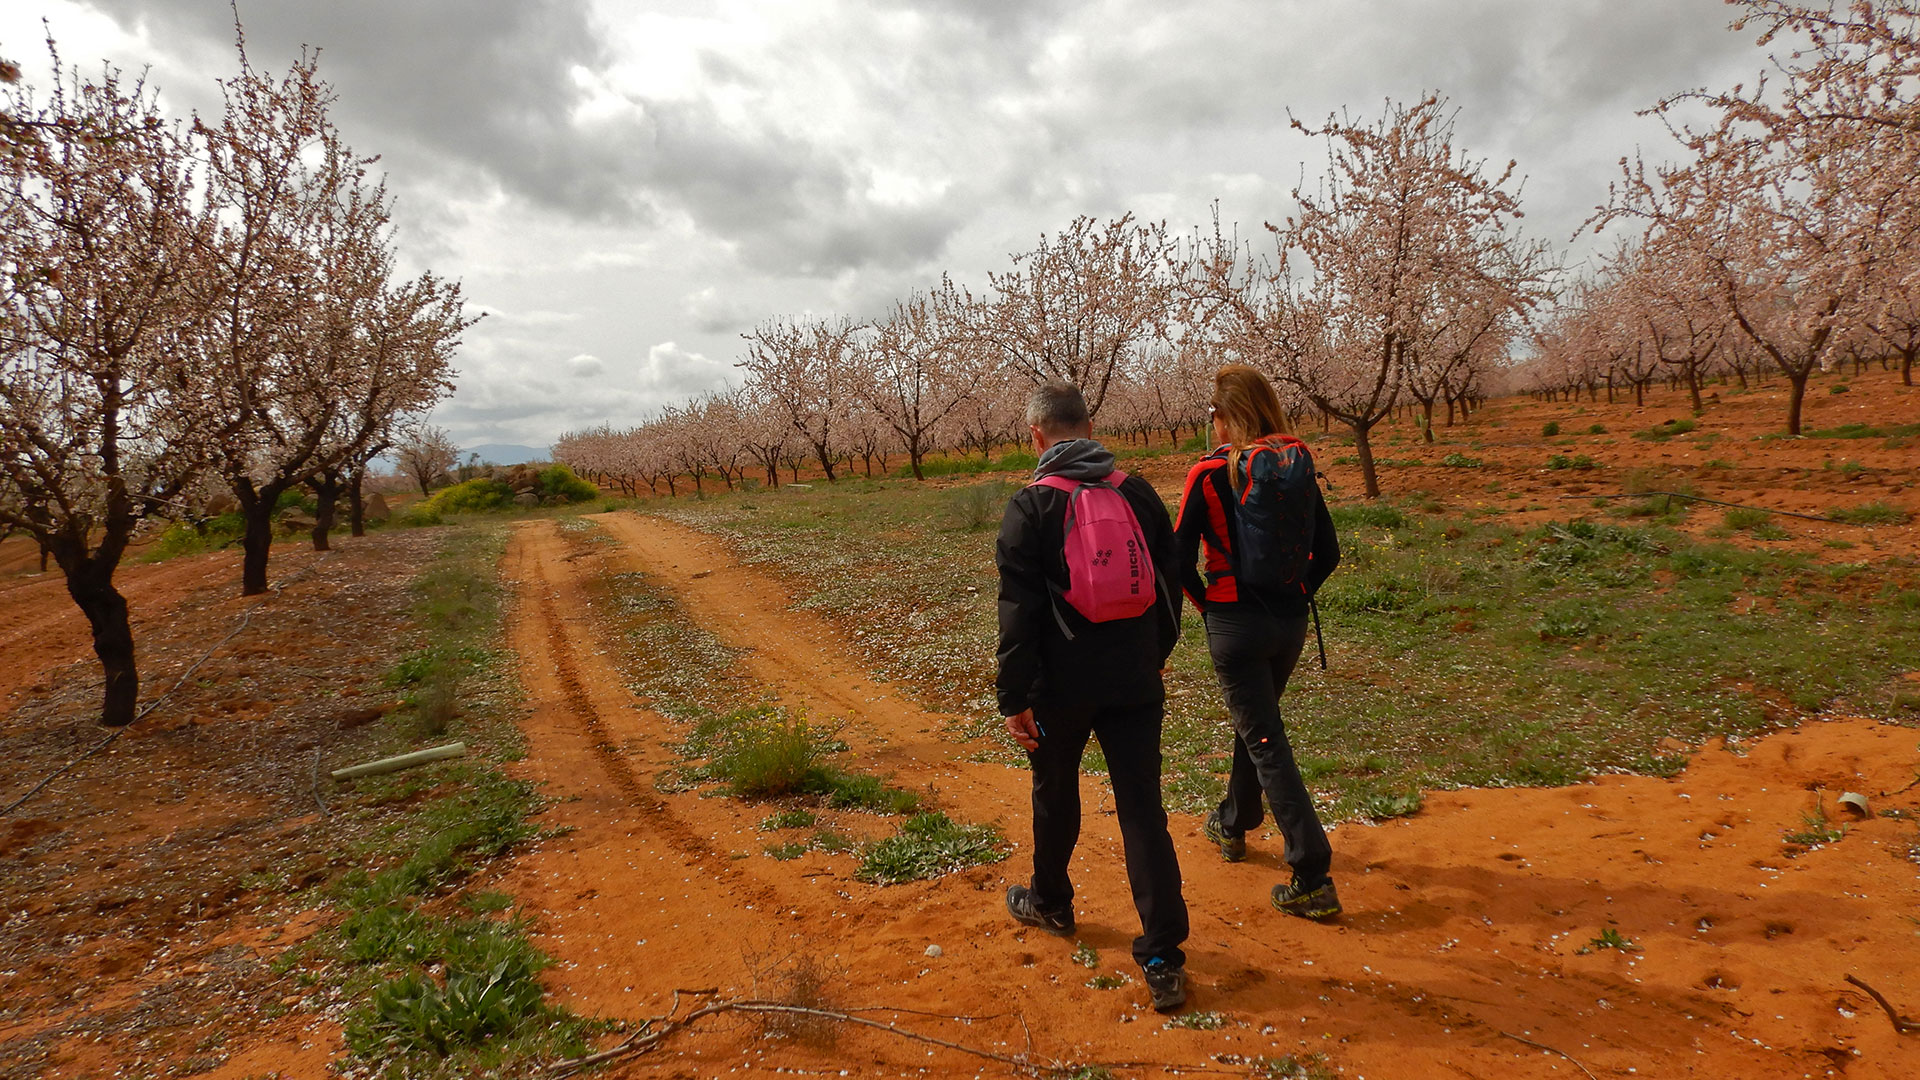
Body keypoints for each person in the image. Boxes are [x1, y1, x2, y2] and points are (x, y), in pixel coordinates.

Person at [995, 381, 1191, 1013]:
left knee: (1056, 792)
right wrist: (1152, 659)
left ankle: (1050, 901)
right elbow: (1169, 584)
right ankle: (1162, 953)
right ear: (1088, 425)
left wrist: (1014, 696)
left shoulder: (1032, 507)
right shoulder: (1136, 491)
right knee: (1142, 811)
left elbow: (1019, 614)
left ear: (1036, 435)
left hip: (1060, 688)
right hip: (1134, 679)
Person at [1174, 365, 1343, 920]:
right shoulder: (1295, 465)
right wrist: (1295, 594)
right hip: (1289, 623)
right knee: (1259, 725)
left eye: (1214, 415)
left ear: (1225, 416)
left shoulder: (1207, 474)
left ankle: (1312, 870)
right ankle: (1234, 822)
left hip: (1234, 624)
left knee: (1267, 739)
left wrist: (1209, 607)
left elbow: (1175, 562)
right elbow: (1329, 551)